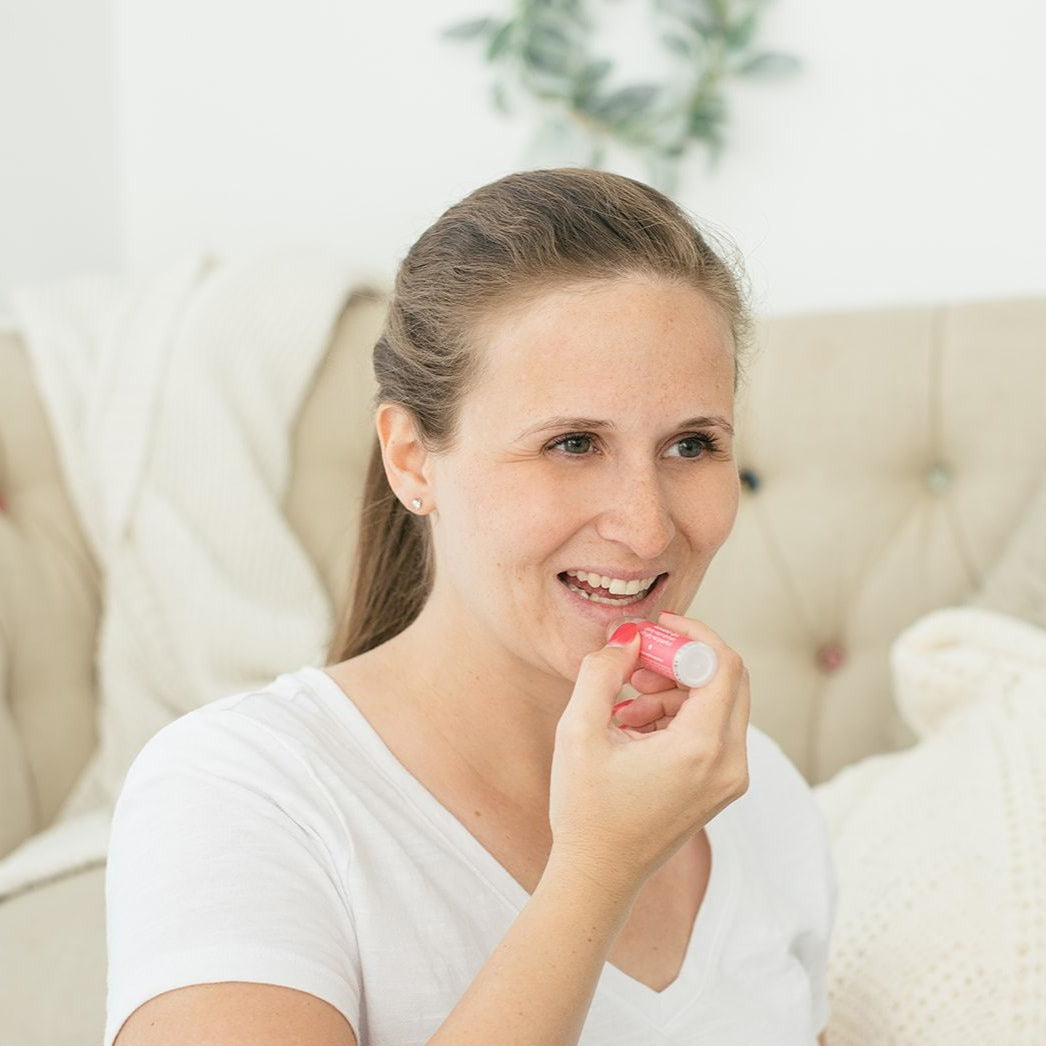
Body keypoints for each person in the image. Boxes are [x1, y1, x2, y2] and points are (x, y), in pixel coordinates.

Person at [104, 168, 836, 1046]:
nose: (647, 529)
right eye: (572, 444)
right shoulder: (242, 794)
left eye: (690, 444)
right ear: (412, 459)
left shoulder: (759, 795)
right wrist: (595, 876)